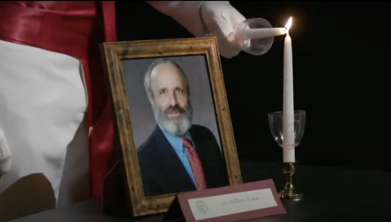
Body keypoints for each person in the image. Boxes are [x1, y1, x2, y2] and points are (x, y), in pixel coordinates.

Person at [0, 1, 245, 207]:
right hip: (17, 66)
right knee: (23, 201)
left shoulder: (204, 141)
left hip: (102, 72)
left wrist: (197, 5)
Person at [137, 59, 228, 197]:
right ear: (152, 99)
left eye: (178, 91)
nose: (173, 102)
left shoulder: (206, 137)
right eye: (163, 92)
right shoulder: (142, 161)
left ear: (188, 94)